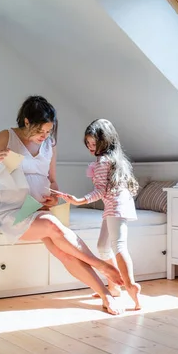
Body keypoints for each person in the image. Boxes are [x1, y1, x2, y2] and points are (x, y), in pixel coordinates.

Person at [0, 96, 125, 315]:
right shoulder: (7, 137)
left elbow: (52, 179)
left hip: (41, 208)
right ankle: (101, 265)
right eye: (40, 131)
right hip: (13, 211)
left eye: (48, 131)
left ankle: (106, 295)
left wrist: (54, 198)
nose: (44, 136)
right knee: (53, 225)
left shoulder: (49, 144)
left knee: (65, 253)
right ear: (26, 122)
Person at [57, 119, 142, 310]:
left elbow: (100, 191)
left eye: (93, 144)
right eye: (87, 144)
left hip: (115, 208)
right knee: (103, 246)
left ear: (105, 141)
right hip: (115, 207)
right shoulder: (114, 160)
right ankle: (114, 285)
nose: (90, 147)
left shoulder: (103, 162)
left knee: (118, 246)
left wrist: (79, 200)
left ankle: (130, 286)